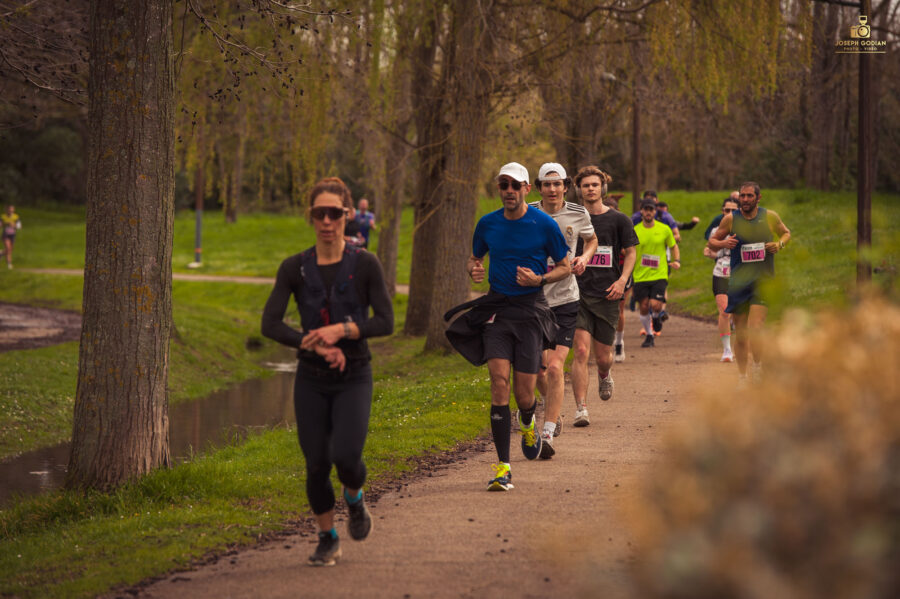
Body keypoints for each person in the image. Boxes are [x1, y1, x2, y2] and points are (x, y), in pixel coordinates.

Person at [261, 177, 394, 566]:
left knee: (347, 458)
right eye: (319, 213)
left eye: (334, 213)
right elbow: (270, 325)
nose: (326, 220)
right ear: (311, 217)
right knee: (316, 462)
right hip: (312, 379)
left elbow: (386, 321)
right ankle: (326, 536)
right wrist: (315, 342)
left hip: (355, 375)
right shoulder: (295, 268)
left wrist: (343, 330)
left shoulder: (365, 264)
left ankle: (354, 498)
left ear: (347, 216)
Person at [444, 162, 570, 491]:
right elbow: (475, 258)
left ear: (527, 188)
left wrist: (540, 278)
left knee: (524, 393)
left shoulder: (543, 224)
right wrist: (474, 267)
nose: (510, 191)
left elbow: (566, 266)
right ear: (498, 189)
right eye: (504, 185)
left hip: (530, 312)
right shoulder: (487, 224)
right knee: (499, 385)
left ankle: (528, 421)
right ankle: (503, 467)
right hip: (498, 310)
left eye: (516, 185)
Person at [528, 163, 597, 456]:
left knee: (556, 367)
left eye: (558, 184)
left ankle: (548, 431)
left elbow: (592, 240)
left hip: (566, 299)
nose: (552, 190)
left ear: (566, 186)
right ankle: (553, 408)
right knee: (540, 371)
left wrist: (583, 257)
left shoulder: (578, 213)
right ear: (538, 187)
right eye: (547, 184)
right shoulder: (527, 212)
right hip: (533, 300)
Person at [570, 166, 637, 427]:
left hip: (608, 294)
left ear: (602, 188)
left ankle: (604, 372)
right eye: (585, 185)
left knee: (603, 356)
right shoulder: (572, 217)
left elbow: (630, 253)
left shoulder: (619, 220)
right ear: (579, 189)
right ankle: (581, 408)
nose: (590, 189)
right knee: (581, 350)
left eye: (594, 185)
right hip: (577, 293)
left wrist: (622, 281)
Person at [708, 182, 790, 382]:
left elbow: (786, 233)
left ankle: (757, 367)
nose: (744, 200)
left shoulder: (769, 217)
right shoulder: (730, 219)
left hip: (763, 280)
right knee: (742, 334)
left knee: (756, 327)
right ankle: (743, 377)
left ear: (758, 198)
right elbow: (712, 242)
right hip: (739, 282)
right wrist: (723, 243)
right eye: (742, 196)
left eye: (749, 196)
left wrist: (779, 244)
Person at [633, 199, 680, 348]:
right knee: (644, 306)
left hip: (659, 273)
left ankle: (656, 317)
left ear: (655, 212)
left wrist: (677, 260)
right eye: (645, 209)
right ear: (641, 211)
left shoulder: (664, 229)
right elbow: (628, 250)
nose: (648, 212)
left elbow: (673, 246)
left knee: (656, 304)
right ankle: (649, 335)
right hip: (640, 274)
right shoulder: (635, 230)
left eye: (651, 209)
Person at [703, 197, 740, 362]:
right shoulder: (716, 232)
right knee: (724, 311)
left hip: (741, 274)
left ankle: (742, 345)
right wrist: (712, 251)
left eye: (733, 210)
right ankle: (727, 350)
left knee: (739, 314)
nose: (730, 213)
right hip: (721, 273)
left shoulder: (747, 229)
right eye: (727, 210)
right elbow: (712, 249)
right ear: (722, 212)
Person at [1, 205, 22, 269]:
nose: (10, 211)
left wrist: (14, 225)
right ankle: (9, 264)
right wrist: (5, 224)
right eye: (9, 210)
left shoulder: (16, 217)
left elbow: (19, 226)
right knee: (8, 248)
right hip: (5, 234)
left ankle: (1, 253)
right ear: (6, 210)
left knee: (10, 250)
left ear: (13, 210)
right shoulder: (3, 217)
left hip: (12, 235)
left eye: (12, 210)